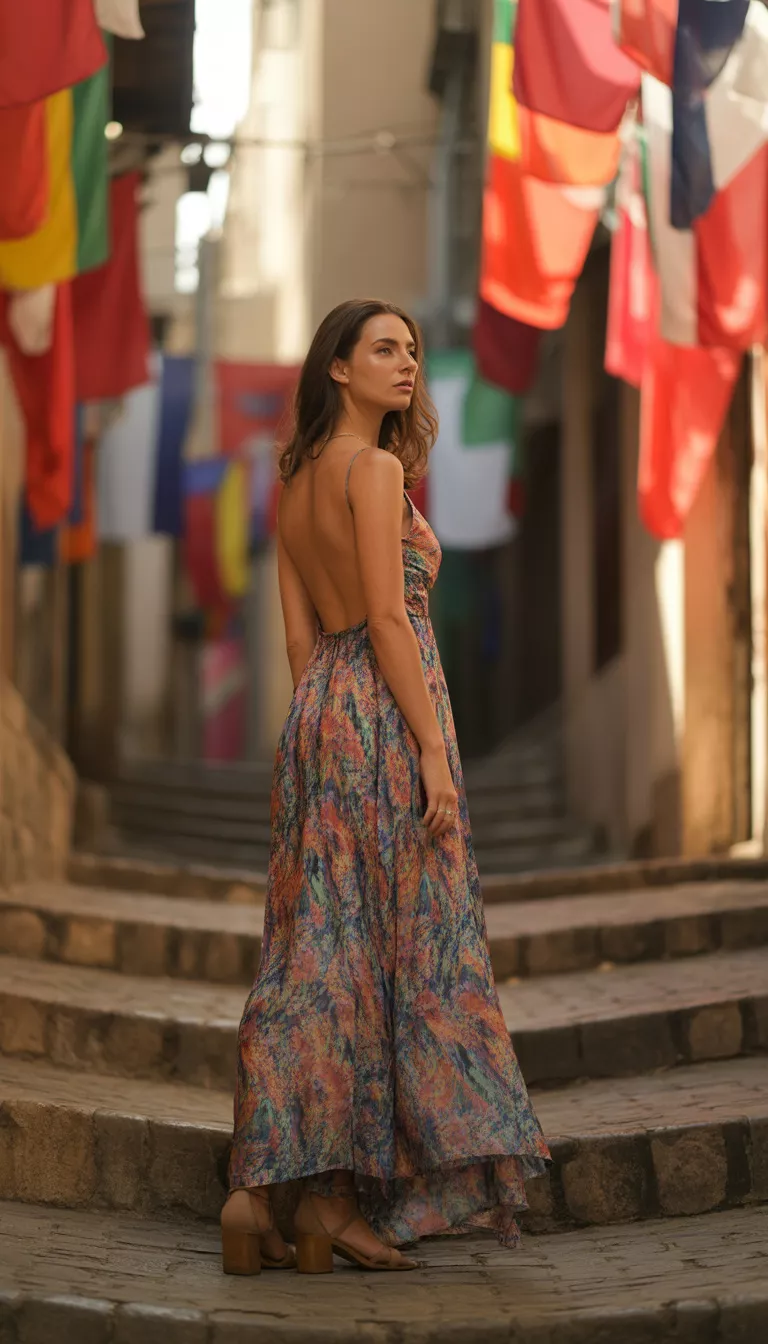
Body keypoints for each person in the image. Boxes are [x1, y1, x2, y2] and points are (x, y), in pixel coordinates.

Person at [221, 298, 550, 1277]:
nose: (406, 364)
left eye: (411, 349)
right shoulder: (370, 471)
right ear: (337, 368)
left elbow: (297, 639)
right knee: (402, 952)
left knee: (321, 947)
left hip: (319, 713)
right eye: (384, 349)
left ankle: (271, 1192)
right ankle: (328, 1198)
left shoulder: (290, 480)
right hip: (382, 711)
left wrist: (320, 732)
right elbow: (388, 620)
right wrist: (431, 755)